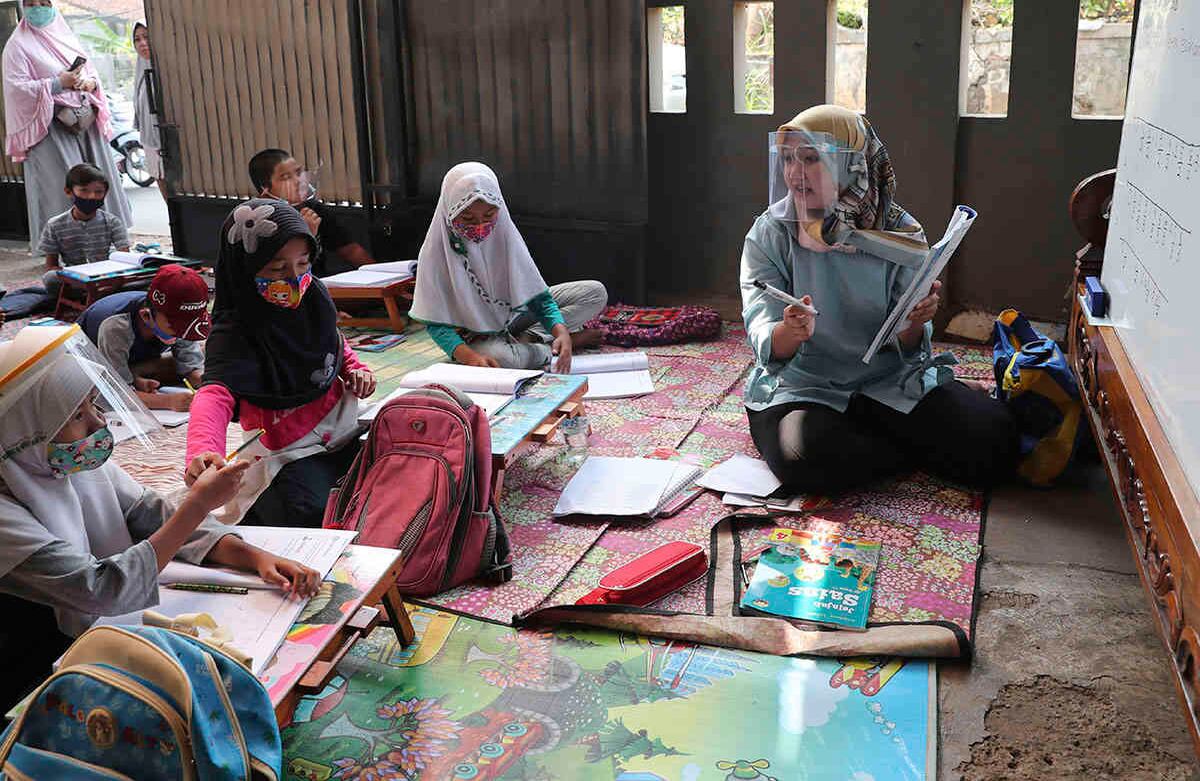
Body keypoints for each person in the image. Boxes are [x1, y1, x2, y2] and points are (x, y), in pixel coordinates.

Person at [0, 324, 321, 706]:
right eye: (75, 416)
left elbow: (153, 514)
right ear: (27, 433)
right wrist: (198, 503)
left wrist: (253, 557)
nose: (99, 423)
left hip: (100, 635)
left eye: (93, 404)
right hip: (38, 669)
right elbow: (99, 588)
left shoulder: (70, 464)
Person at [740, 104, 1018, 495]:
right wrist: (789, 330)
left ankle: (873, 436)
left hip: (887, 381)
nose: (794, 173)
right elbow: (761, 326)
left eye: (810, 159)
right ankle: (903, 442)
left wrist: (916, 322)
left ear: (852, 166)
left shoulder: (900, 232)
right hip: (804, 386)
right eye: (787, 159)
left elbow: (908, 347)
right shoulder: (770, 233)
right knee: (804, 457)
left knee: (995, 440)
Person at [185, 199, 376, 527]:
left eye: (303, 263)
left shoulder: (313, 295)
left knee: (392, 467)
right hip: (289, 447)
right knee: (309, 511)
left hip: (341, 425)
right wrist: (202, 450)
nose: (294, 278)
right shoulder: (235, 329)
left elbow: (331, 342)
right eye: (277, 269)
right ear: (244, 269)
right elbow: (215, 393)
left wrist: (354, 368)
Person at [409, 162, 607, 372]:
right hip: (475, 336)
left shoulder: (505, 235)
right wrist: (469, 357)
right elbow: (436, 323)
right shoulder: (435, 253)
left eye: (489, 215)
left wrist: (561, 331)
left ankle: (532, 338)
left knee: (594, 293)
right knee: (503, 360)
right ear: (449, 209)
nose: (479, 226)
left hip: (515, 316)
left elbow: (537, 297)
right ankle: (547, 348)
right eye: (467, 218)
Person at [2, 0, 132, 253]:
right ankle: (64, 249)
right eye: (31, 3)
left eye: (44, 2)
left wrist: (90, 82)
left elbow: (91, 70)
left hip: (84, 121)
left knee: (98, 179)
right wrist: (56, 83)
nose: (38, 7)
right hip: (49, 126)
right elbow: (16, 89)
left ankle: (111, 241)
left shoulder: (65, 35)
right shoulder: (17, 47)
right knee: (61, 185)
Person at [78, 264, 210, 412]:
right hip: (90, 366)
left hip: (132, 362)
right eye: (176, 327)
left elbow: (191, 368)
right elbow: (114, 394)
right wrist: (168, 401)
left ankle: (134, 378)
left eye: (189, 327)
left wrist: (209, 386)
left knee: (206, 359)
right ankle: (133, 379)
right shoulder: (116, 327)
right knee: (94, 393)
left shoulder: (178, 320)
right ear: (146, 316)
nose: (183, 334)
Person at [248, 148, 374, 277]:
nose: (297, 181)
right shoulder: (253, 219)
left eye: (298, 173)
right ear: (265, 186)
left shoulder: (313, 209)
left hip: (320, 286)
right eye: (286, 177)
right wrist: (306, 234)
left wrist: (379, 277)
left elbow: (351, 251)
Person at [37, 162, 130, 298]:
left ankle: (95, 294)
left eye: (98, 192)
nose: (92, 196)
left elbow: (125, 258)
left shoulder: (112, 222)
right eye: (84, 190)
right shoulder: (55, 225)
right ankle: (93, 294)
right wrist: (72, 276)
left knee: (146, 277)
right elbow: (51, 266)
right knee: (50, 279)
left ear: (105, 193)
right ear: (69, 192)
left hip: (108, 277)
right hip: (75, 279)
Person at [132, 19, 166, 199]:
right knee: (160, 178)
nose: (142, 43)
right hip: (149, 139)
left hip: (168, 140)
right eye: (137, 39)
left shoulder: (167, 68)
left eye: (146, 37)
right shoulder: (140, 70)